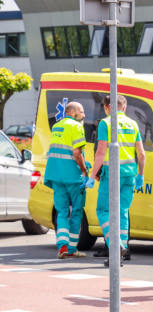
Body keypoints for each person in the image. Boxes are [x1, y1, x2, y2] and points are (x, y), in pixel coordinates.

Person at [87, 95, 146, 267]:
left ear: (107, 107)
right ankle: (123, 248)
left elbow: (100, 153)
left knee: (103, 210)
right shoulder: (133, 124)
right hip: (130, 174)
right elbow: (141, 154)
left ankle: (115, 245)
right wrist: (141, 174)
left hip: (112, 174)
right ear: (124, 108)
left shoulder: (106, 123)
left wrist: (92, 176)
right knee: (122, 211)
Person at [43, 102, 89, 259]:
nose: (83, 115)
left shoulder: (57, 126)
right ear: (71, 112)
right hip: (72, 176)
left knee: (62, 212)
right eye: (81, 112)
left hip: (56, 175)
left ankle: (62, 245)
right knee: (76, 211)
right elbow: (77, 153)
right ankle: (71, 249)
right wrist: (84, 171)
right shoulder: (76, 126)